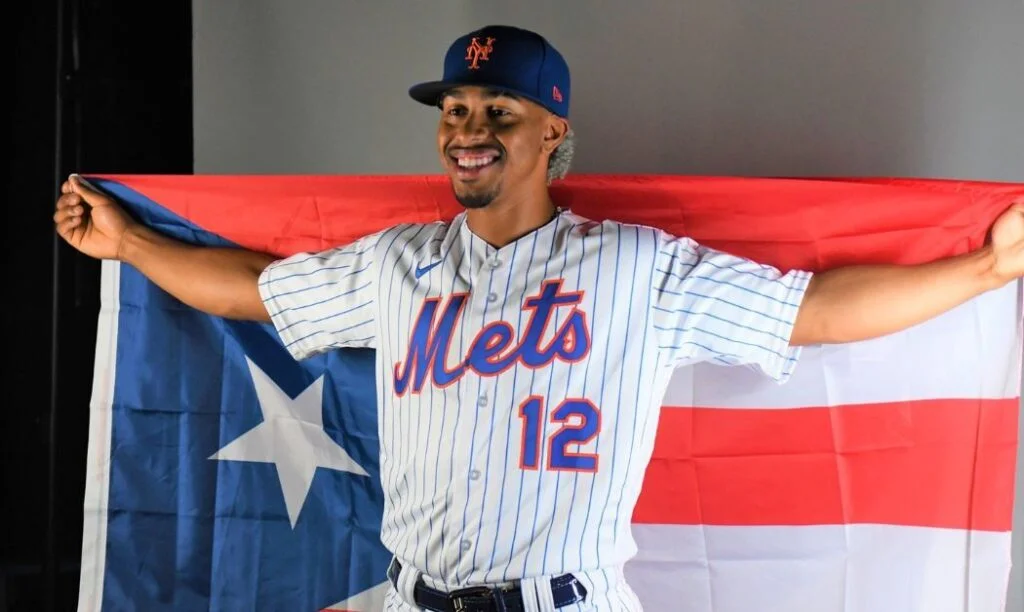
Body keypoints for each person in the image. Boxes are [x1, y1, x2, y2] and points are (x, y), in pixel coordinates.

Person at [53, 24, 1022, 612]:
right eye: (456, 107)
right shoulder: (397, 265)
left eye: (498, 111)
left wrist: (984, 267)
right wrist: (129, 244)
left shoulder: (632, 268)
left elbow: (811, 312)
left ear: (552, 131)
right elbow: (254, 291)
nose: (467, 129)